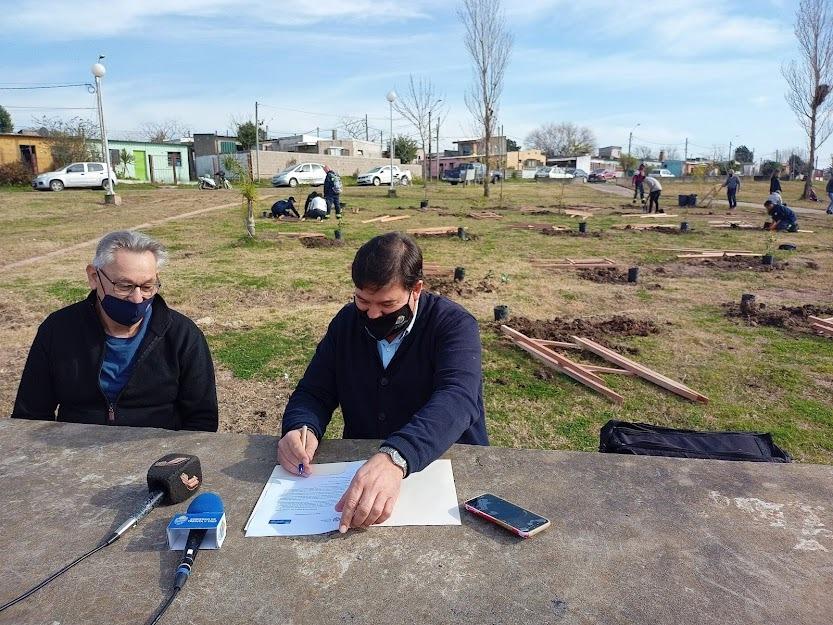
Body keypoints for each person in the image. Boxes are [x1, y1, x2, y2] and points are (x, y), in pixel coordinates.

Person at [277, 232, 488, 533]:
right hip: (361, 474)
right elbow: (314, 390)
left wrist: (396, 457)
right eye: (363, 300)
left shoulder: (452, 325)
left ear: (416, 289)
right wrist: (302, 426)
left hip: (445, 475)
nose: (373, 314)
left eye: (387, 305)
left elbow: (458, 397)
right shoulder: (347, 323)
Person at [12, 231, 218, 431]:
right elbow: (30, 414)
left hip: (157, 454)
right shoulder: (58, 330)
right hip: (74, 450)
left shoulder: (182, 334)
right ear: (94, 277)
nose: (137, 298)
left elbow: (202, 420)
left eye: (147, 286)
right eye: (124, 286)